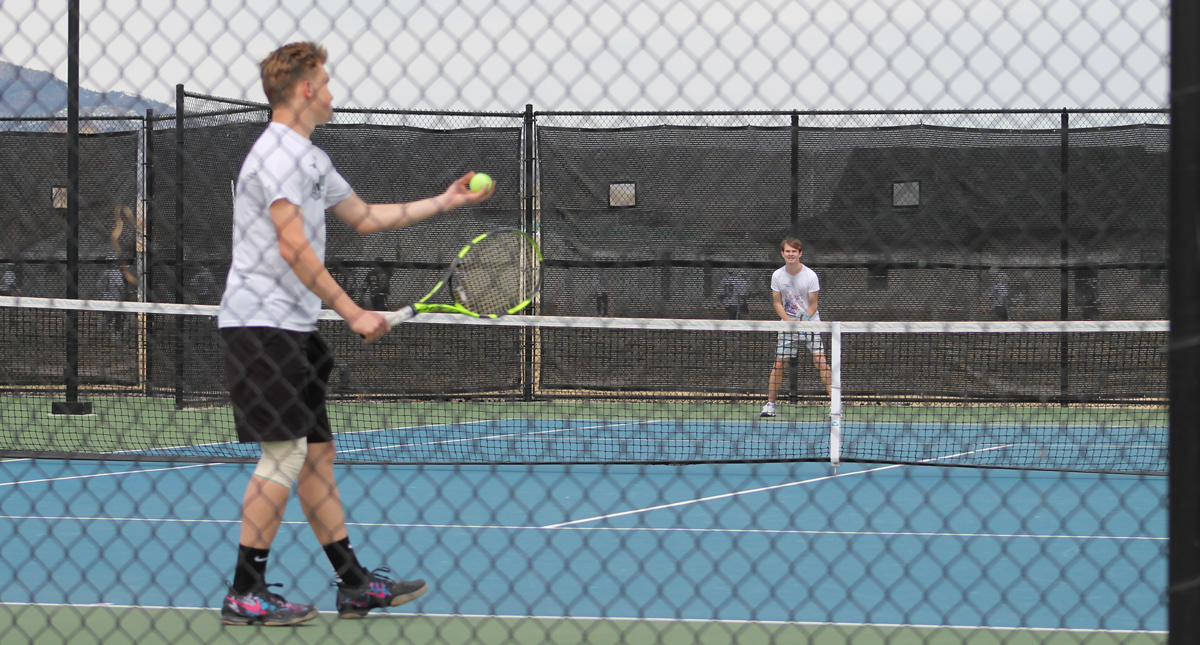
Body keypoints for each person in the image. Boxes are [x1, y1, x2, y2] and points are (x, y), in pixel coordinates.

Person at [216, 42, 493, 626]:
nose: (334, 91)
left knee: (317, 455)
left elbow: (365, 218)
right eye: (326, 80)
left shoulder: (311, 159)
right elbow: (292, 246)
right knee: (287, 455)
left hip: (294, 328)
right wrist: (351, 309)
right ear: (306, 89)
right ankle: (246, 590)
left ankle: (354, 584)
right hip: (262, 326)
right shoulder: (277, 156)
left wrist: (445, 202)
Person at [761, 238, 831, 417]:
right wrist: (789, 322)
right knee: (779, 364)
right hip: (788, 323)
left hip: (810, 322)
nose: (790, 254)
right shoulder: (777, 275)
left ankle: (835, 404)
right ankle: (770, 405)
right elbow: (777, 303)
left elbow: (814, 304)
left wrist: (804, 322)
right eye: (787, 251)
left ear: (800, 253)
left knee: (820, 361)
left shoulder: (810, 276)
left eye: (794, 251)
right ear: (782, 254)